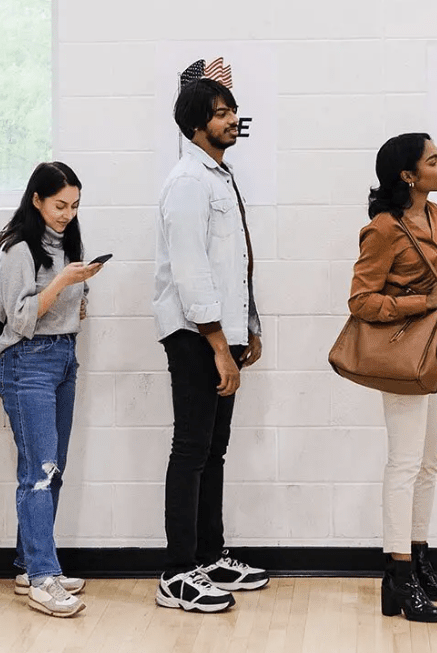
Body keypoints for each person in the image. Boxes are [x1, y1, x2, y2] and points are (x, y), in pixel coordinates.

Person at [153, 76, 269, 614]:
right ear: (197, 123)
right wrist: (219, 344)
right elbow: (191, 269)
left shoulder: (219, 175)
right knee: (191, 450)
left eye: (234, 111)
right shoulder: (187, 181)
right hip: (196, 335)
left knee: (213, 451)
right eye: (222, 113)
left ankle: (208, 554)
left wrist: (249, 326)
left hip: (224, 331)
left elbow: (233, 262)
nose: (232, 119)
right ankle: (177, 573)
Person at [349, 133, 437, 623]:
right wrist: (424, 298)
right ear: (408, 175)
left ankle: (419, 564)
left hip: (434, 349)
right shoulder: (383, 228)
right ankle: (397, 576)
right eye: (434, 161)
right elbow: (360, 301)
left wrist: (435, 281)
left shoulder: (434, 215)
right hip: (401, 355)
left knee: (428, 463)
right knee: (403, 463)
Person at [0, 162, 103, 618]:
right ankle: (43, 576)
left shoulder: (67, 244)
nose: (67, 214)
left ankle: (30, 565)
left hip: (62, 358)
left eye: (74, 206)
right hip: (27, 360)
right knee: (37, 471)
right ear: (36, 200)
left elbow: (62, 310)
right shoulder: (18, 249)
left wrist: (79, 293)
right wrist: (61, 282)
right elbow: (18, 318)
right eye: (60, 205)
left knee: (52, 468)